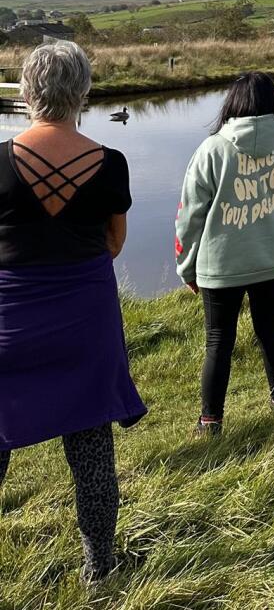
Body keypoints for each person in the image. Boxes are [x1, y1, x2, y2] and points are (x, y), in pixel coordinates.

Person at [0, 41, 147, 582]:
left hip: (8, 324)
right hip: (86, 323)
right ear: (83, 91)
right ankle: (100, 569)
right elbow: (113, 242)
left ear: (26, 91)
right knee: (91, 448)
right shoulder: (112, 164)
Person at [175, 72, 274, 436]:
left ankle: (210, 423)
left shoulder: (212, 150)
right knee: (271, 329)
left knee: (218, 341)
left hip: (220, 264)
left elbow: (190, 216)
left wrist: (186, 267)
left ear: (231, 104)